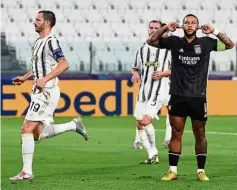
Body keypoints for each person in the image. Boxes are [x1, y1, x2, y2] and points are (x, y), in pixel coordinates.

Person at [147, 14, 235, 181]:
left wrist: (214, 31)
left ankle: (201, 171)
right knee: (176, 132)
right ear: (182, 25)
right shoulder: (174, 42)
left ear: (198, 26)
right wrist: (165, 28)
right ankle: (172, 171)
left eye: (193, 23)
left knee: (200, 133)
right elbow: (150, 41)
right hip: (177, 95)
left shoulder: (207, 43)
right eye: (186, 22)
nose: (189, 25)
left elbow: (230, 44)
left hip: (198, 96)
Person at [10, 10, 89, 181]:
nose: (34, 22)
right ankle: (73, 125)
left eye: (37, 19)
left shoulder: (51, 41)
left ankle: (26, 171)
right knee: (37, 133)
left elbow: (64, 64)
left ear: (47, 23)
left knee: (26, 128)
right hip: (39, 90)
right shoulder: (39, 42)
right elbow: (41, 66)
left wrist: (45, 79)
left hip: (46, 92)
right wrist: (25, 77)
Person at [131, 20, 171, 164]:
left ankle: (154, 149)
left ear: (161, 30)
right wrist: (134, 73)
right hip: (143, 91)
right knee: (139, 124)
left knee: (146, 120)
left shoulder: (168, 49)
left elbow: (178, 70)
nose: (153, 30)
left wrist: (163, 73)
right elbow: (136, 67)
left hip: (159, 91)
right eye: (151, 28)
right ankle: (151, 155)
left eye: (156, 28)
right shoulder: (142, 50)